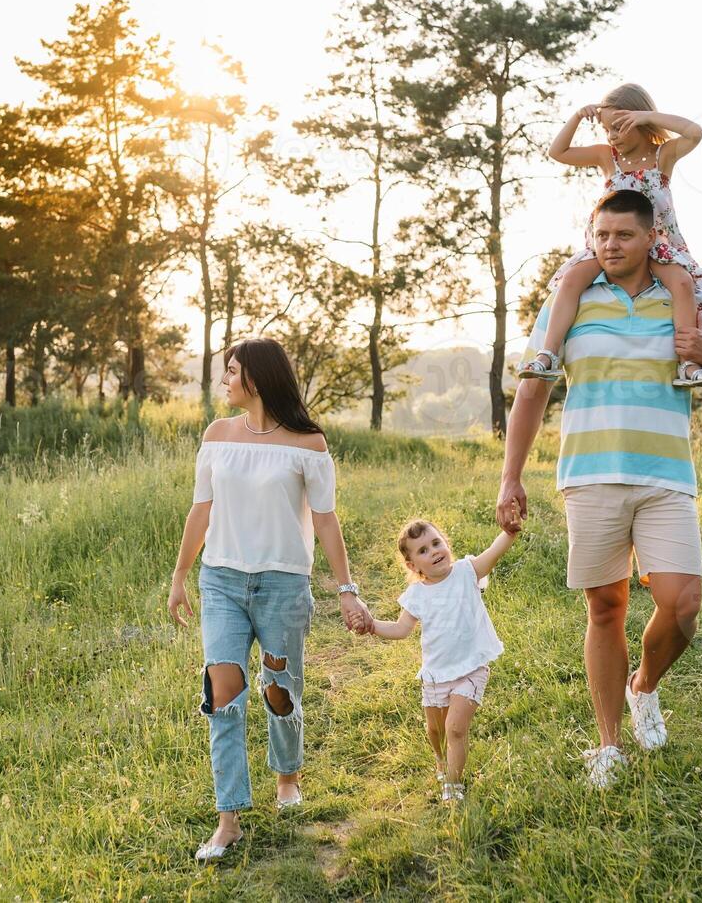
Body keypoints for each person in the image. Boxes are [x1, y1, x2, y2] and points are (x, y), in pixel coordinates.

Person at [498, 188, 702, 789]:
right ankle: (608, 745)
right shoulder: (574, 296)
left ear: (649, 236)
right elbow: (532, 390)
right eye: (601, 235)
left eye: (623, 236)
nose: (610, 246)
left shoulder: (683, 297)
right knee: (605, 608)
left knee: (683, 604)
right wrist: (511, 475)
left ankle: (645, 687)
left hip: (666, 476)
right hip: (590, 473)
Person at [166, 338, 374, 862]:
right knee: (223, 694)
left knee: (279, 690)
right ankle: (228, 818)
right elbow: (200, 511)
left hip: (282, 584)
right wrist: (180, 576)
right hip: (221, 581)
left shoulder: (308, 443)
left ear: (255, 378)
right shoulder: (217, 436)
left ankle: (287, 779)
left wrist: (346, 590)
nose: (225, 382)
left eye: (231, 372)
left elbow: (325, 520)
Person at [517, 82, 702, 388]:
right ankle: (548, 355)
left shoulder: (664, 156)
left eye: (620, 128)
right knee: (572, 279)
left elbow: (695, 132)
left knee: (683, 283)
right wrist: (579, 116)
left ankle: (686, 364)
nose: (613, 137)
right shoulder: (607, 157)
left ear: (639, 120)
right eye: (608, 130)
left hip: (655, 244)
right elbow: (558, 152)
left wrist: (648, 117)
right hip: (609, 244)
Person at [362, 519, 517, 803]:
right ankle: (440, 759)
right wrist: (372, 625)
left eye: (436, 543)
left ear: (446, 544)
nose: (433, 551)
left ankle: (454, 786)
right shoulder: (418, 594)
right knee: (435, 731)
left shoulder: (467, 572)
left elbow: (493, 554)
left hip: (471, 668)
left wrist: (509, 532)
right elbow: (400, 629)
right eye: (422, 550)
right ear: (413, 566)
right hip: (436, 674)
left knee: (455, 729)